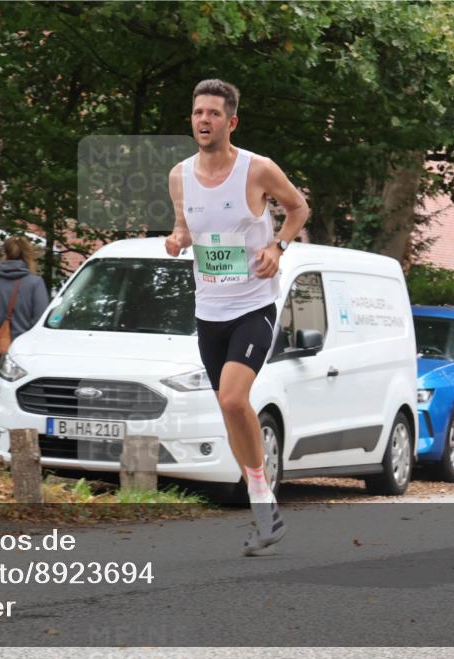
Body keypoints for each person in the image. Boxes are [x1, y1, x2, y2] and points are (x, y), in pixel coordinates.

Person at [165, 79, 310, 556]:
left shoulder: (257, 169)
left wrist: (278, 245)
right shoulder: (179, 176)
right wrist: (177, 239)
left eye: (212, 113)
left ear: (231, 122)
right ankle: (265, 505)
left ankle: (261, 497)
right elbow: (185, 228)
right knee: (232, 411)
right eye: (197, 112)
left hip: (253, 307)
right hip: (208, 312)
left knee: (232, 400)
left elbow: (297, 208)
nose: (203, 120)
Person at [0, 236, 50, 351]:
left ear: (4, 254)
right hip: (22, 350)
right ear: (27, 255)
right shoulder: (35, 283)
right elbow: (39, 319)